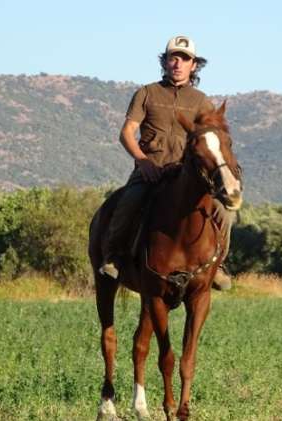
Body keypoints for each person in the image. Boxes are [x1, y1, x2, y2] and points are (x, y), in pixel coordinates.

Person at [100, 35, 233, 290]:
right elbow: (127, 132)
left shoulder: (202, 101)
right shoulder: (147, 93)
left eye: (185, 59)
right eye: (174, 58)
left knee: (224, 211)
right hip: (151, 169)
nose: (178, 64)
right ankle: (115, 257)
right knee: (129, 201)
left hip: (187, 174)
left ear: (194, 65)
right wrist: (142, 162)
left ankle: (220, 264)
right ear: (165, 61)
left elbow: (211, 138)